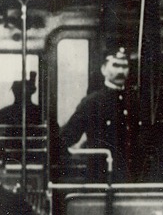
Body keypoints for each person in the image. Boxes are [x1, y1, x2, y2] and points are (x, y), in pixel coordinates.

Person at [59, 46, 144, 182]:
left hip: (131, 180)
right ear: (103, 69)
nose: (121, 71)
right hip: (101, 181)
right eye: (115, 65)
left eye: (124, 66)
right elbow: (67, 137)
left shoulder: (135, 101)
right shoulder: (92, 102)